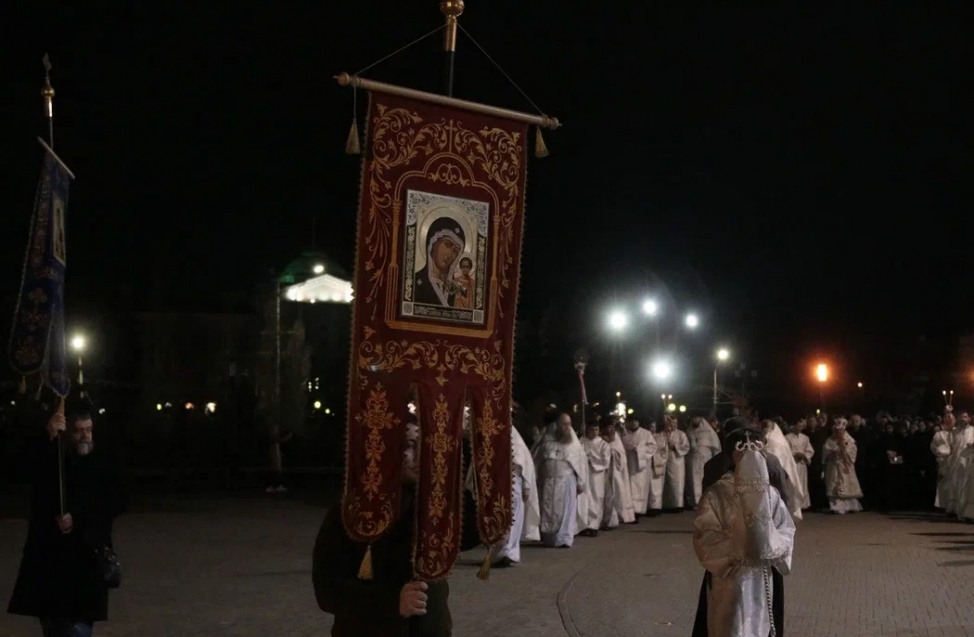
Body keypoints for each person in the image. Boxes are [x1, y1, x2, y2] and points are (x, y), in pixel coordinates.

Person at [313, 421, 452, 636]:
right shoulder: (352, 509)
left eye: (425, 445)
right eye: (410, 445)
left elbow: (475, 531)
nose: (420, 454)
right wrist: (392, 602)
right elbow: (327, 589)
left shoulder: (432, 503)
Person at [8, 400, 127, 637]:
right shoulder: (53, 456)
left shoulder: (101, 461)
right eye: (79, 430)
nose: (85, 436)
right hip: (51, 562)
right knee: (54, 627)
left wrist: (79, 518)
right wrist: (46, 436)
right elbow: (19, 469)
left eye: (88, 429)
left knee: (77, 628)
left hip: (85, 562)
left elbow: (116, 500)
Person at [692, 426, 795, 637]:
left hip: (762, 577)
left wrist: (771, 546)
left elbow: (785, 528)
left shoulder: (770, 494)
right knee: (729, 625)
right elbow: (706, 537)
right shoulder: (717, 494)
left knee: (760, 624)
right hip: (729, 578)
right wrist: (737, 553)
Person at [534, 413, 587, 547]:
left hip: (566, 481)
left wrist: (581, 483)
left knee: (566, 512)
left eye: (569, 424)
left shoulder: (573, 444)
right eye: (564, 424)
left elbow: (580, 464)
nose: (567, 427)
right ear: (557, 425)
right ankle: (550, 538)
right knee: (548, 510)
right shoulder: (546, 441)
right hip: (548, 482)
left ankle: (564, 539)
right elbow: (536, 461)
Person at [490, 427, 539, 567]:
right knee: (497, 517)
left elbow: (525, 464)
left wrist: (526, 486)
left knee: (514, 519)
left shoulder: (517, 441)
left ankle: (509, 553)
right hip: (496, 485)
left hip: (514, 484)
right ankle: (497, 553)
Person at [413, 217, 466, 307]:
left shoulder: (457, 289)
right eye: (447, 244)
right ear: (433, 243)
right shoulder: (415, 282)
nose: (450, 255)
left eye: (455, 251)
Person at [822, 419, 864, 514]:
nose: (838, 432)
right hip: (834, 466)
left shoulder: (849, 440)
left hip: (845, 466)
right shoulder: (830, 440)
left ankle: (850, 506)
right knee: (835, 485)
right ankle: (837, 507)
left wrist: (844, 448)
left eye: (840, 430)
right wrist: (833, 451)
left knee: (847, 484)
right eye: (837, 430)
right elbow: (825, 451)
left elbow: (852, 451)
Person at [579, 420, 611, 536]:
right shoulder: (581, 442)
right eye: (591, 429)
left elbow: (605, 461)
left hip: (596, 475)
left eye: (596, 429)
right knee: (584, 498)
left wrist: (591, 459)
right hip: (584, 474)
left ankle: (594, 525)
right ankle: (583, 524)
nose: (594, 432)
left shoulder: (604, 445)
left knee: (596, 498)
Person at [620, 418, 657, 517]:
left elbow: (653, 447)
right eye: (631, 421)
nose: (634, 423)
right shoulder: (624, 433)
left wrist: (639, 449)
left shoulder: (646, 433)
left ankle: (638, 510)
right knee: (629, 488)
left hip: (641, 467)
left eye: (636, 421)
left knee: (640, 488)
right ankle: (629, 511)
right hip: (628, 464)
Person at [685, 417, 722, 509]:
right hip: (693, 460)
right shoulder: (689, 432)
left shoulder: (709, 432)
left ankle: (706, 501)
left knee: (704, 479)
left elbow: (715, 447)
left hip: (705, 458)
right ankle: (695, 501)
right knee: (693, 480)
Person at [662, 416, 691, 512]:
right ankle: (666, 505)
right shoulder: (663, 434)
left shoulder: (681, 434)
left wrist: (675, 447)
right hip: (665, 461)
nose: (673, 425)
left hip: (677, 462)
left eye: (675, 423)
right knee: (666, 483)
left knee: (676, 484)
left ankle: (677, 505)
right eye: (671, 423)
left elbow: (686, 447)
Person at [785, 421, 814, 511]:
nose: (799, 428)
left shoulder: (805, 438)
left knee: (802, 483)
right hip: (793, 463)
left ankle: (802, 504)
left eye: (801, 427)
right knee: (793, 483)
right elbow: (785, 450)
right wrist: (794, 455)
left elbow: (810, 450)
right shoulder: (787, 437)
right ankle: (793, 504)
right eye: (798, 426)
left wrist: (804, 455)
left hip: (801, 464)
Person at [930, 412, 954, 510]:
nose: (949, 420)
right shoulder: (939, 434)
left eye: (951, 418)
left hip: (954, 461)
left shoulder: (956, 432)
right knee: (943, 484)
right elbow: (933, 447)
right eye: (947, 418)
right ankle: (943, 505)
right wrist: (940, 453)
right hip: (944, 461)